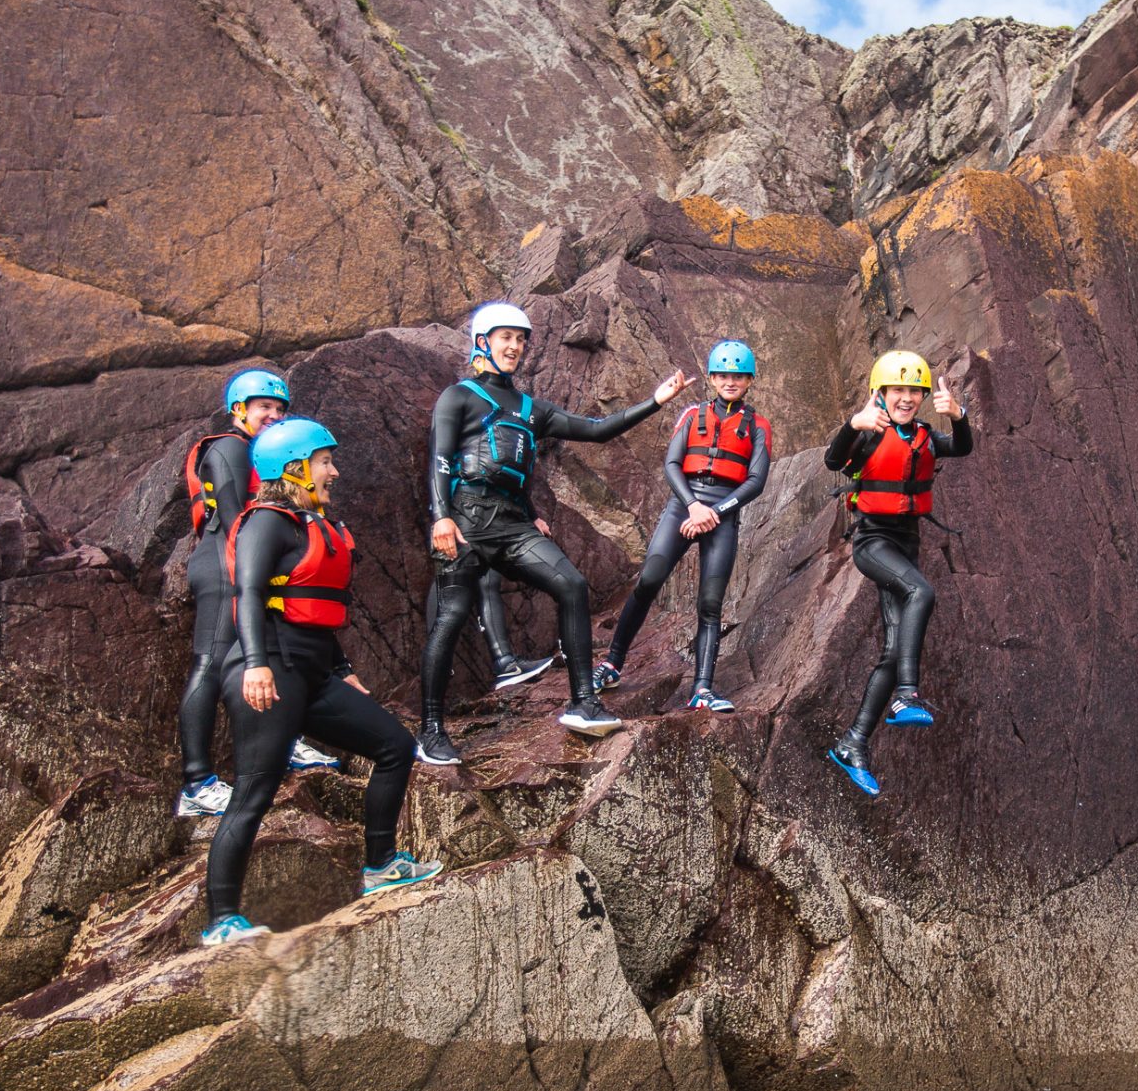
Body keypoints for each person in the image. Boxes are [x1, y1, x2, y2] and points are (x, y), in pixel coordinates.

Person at [203, 417, 442, 946]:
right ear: (294, 469)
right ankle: (222, 920)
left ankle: (380, 866)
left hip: (310, 673)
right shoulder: (266, 522)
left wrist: (344, 672)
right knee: (253, 792)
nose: (334, 471)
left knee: (395, 745)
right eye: (325, 461)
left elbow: (315, 611)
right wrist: (258, 664)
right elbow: (247, 594)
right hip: (267, 670)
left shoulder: (311, 524)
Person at [417, 301, 689, 760]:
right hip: (464, 520)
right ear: (483, 342)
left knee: (571, 584)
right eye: (506, 337)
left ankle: (583, 702)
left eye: (521, 340)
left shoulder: (530, 408)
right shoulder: (458, 396)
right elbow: (440, 460)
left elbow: (598, 429)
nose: (515, 347)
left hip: (511, 524)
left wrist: (656, 402)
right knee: (451, 615)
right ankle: (430, 731)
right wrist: (440, 516)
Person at [176, 369, 339, 818]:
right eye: (264, 406)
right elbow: (233, 518)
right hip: (223, 565)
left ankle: (284, 743)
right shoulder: (229, 447)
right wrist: (254, 568)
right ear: (238, 410)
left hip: (249, 565)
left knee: (269, 651)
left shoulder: (266, 454)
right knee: (211, 662)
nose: (273, 414)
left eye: (280, 408)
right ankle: (196, 783)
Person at [823, 350, 974, 796]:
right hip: (873, 542)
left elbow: (962, 446)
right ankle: (907, 696)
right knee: (921, 593)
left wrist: (960, 416)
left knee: (891, 652)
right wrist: (853, 425)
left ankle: (852, 744)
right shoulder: (869, 435)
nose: (906, 398)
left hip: (906, 542)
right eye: (897, 391)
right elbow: (835, 461)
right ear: (881, 394)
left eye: (914, 391)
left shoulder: (927, 435)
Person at [594, 339, 771, 712]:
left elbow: (755, 481)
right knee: (650, 578)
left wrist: (714, 512)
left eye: (738, 376)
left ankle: (703, 689)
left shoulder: (757, 425)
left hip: (723, 512)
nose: (730, 381)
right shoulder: (692, 415)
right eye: (723, 374)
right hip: (684, 503)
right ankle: (612, 664)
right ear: (711, 378)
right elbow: (672, 464)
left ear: (750, 380)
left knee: (710, 602)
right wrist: (693, 506)